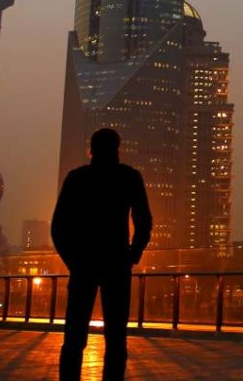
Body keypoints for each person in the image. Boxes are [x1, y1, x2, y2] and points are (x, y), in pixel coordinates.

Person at [52, 128, 152, 381]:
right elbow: (144, 222)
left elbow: (59, 227)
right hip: (117, 265)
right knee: (116, 338)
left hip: (84, 264)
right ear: (118, 147)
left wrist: (73, 261)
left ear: (91, 148)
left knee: (74, 336)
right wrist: (133, 254)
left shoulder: (77, 178)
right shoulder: (129, 177)